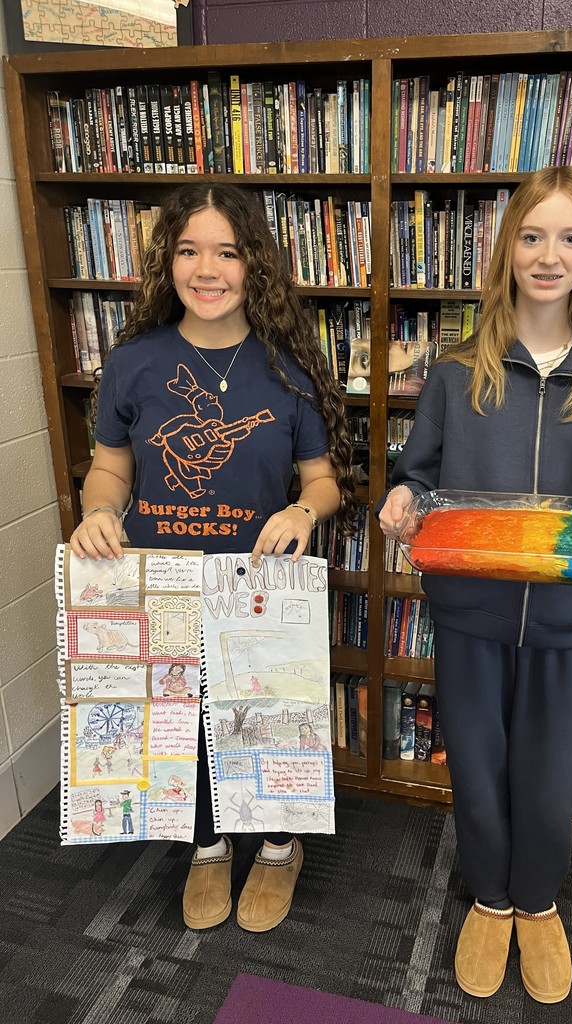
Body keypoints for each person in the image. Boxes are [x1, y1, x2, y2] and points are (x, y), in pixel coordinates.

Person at [378, 167, 572, 1004]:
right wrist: (402, 501)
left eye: (570, 238)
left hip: (570, 619)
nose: (549, 256)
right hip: (470, 613)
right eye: (533, 236)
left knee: (551, 777)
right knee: (477, 769)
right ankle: (490, 897)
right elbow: (416, 477)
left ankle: (538, 901)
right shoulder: (456, 374)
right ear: (507, 247)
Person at [69, 182, 356, 933]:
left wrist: (302, 509)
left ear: (253, 263)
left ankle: (279, 845)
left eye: (226, 252)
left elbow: (324, 482)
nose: (207, 269)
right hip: (161, 582)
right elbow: (110, 468)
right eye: (188, 250)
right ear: (167, 262)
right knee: (181, 718)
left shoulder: (288, 366)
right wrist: (97, 512)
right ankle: (206, 843)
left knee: (268, 717)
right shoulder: (134, 362)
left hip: (257, 585)